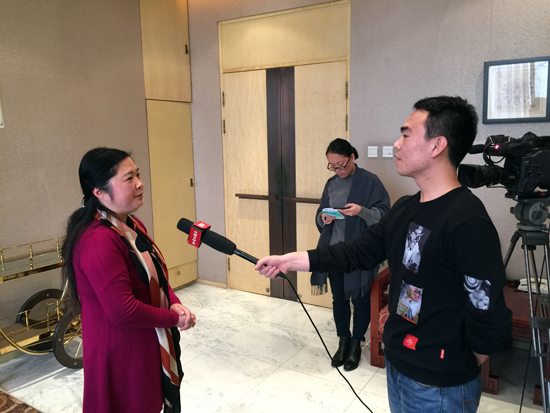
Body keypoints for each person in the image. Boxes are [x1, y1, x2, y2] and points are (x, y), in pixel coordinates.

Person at [255, 96, 512, 412]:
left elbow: (486, 305)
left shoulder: (467, 220)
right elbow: (357, 252)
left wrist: (468, 357)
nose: (396, 144)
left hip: (439, 383)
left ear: (437, 145)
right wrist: (289, 260)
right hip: (398, 362)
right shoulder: (405, 208)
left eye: (406, 135)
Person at [61, 148, 196, 413]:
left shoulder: (131, 225)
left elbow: (155, 275)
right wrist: (173, 319)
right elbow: (123, 310)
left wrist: (174, 302)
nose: (139, 184)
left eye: (138, 175)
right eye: (129, 178)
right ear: (99, 192)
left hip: (144, 337)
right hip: (120, 348)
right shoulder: (98, 240)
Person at [314, 138, 390, 371]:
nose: (338, 170)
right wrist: (324, 218)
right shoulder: (331, 184)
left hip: (359, 252)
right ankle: (343, 341)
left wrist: (361, 211)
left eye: (341, 165)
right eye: (333, 167)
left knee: (360, 300)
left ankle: (356, 344)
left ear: (352, 157)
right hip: (334, 251)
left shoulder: (370, 181)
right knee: (339, 299)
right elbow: (320, 214)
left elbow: (384, 214)